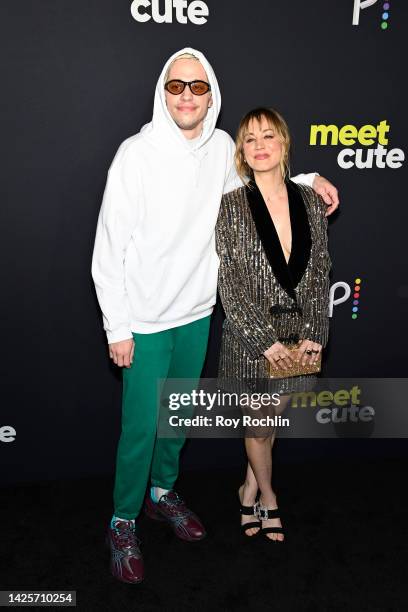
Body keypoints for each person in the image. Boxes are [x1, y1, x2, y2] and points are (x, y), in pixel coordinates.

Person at [91, 48, 338, 583]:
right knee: (140, 427)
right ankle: (123, 520)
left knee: (175, 419)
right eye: (176, 86)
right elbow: (107, 249)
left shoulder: (224, 145)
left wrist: (312, 178)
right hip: (146, 319)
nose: (186, 96)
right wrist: (118, 326)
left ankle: (163, 494)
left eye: (197, 87)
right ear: (163, 91)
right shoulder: (135, 155)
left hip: (197, 314)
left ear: (211, 96)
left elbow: (260, 184)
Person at [216, 107, 331, 542]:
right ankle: (267, 496)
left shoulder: (309, 201)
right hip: (251, 342)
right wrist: (265, 342)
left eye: (269, 136)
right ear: (242, 152)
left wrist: (315, 335)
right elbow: (230, 281)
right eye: (250, 139)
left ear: (284, 144)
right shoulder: (231, 206)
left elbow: (320, 272)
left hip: (299, 341)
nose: (260, 145)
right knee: (259, 425)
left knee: (270, 424)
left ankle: (247, 487)